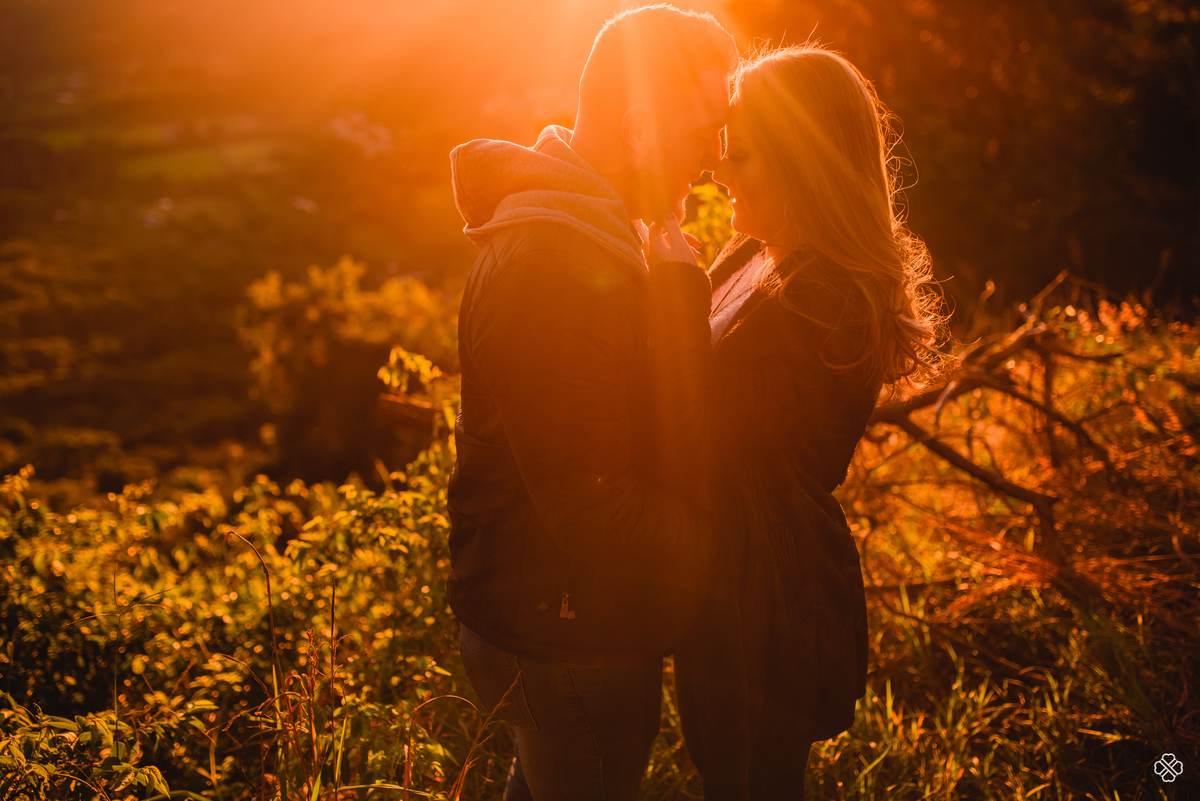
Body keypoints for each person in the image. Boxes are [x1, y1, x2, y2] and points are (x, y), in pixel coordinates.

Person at [445, 6, 737, 800]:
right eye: (703, 133)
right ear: (641, 129)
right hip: (567, 631)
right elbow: (590, 502)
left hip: (552, 613)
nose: (713, 163)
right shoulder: (556, 263)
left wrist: (677, 296)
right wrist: (715, 552)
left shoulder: (592, 233)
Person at [647, 44, 947, 799]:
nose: (719, 172)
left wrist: (673, 291)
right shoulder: (760, 254)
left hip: (765, 596)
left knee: (751, 782)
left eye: (739, 154)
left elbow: (703, 439)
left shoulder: (831, 301)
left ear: (804, 163)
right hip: (725, 572)